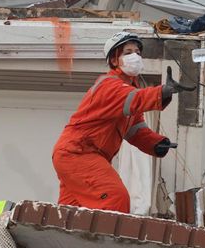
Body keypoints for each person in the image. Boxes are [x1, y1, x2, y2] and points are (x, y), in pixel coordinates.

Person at [52, 31, 194, 213]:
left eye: (137, 52)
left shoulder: (127, 90)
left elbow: (135, 130)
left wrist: (156, 143)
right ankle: (106, 242)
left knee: (69, 215)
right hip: (79, 153)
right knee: (115, 199)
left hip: (76, 155)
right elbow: (134, 99)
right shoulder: (109, 85)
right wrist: (163, 91)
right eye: (127, 53)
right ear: (114, 60)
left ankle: (62, 241)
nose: (135, 56)